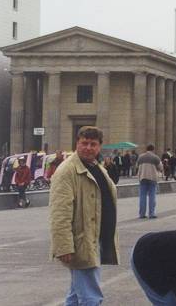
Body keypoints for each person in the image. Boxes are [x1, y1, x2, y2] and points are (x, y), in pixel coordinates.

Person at [49, 126, 119, 306]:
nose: (88, 148)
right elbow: (59, 213)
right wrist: (64, 246)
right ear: (76, 144)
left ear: (99, 147)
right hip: (81, 242)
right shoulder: (66, 171)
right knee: (91, 297)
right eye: (84, 143)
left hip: (94, 238)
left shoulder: (97, 167)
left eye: (93, 144)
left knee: (75, 295)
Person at [136, 144, 163, 219]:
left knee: (142, 196)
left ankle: (142, 214)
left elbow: (136, 166)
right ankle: (151, 213)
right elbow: (161, 168)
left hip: (142, 178)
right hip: (152, 178)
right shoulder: (155, 157)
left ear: (146, 149)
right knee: (152, 196)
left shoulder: (140, 157)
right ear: (153, 149)